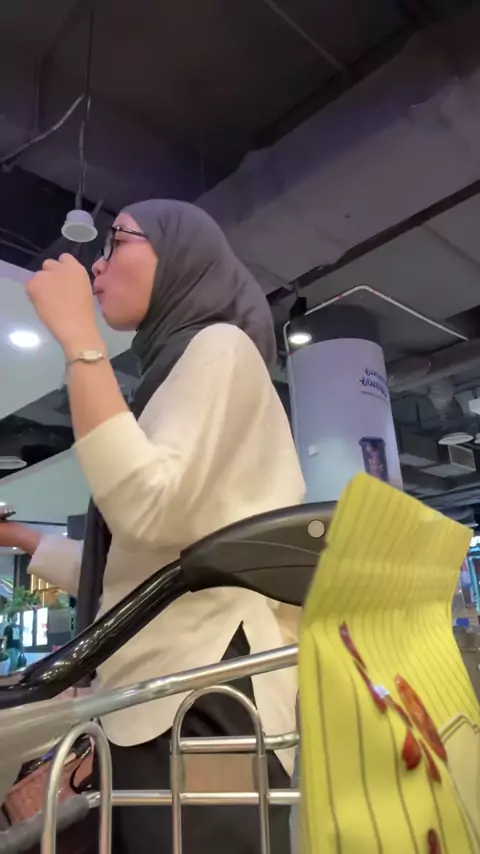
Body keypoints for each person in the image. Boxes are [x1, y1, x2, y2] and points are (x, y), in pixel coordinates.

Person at [0, 200, 305, 854]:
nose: (98, 264)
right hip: (167, 697)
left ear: (182, 258)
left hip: (205, 693)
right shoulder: (178, 370)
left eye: (116, 241)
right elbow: (141, 564)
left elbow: (147, 508)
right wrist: (20, 541)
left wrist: (79, 340)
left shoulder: (219, 345)